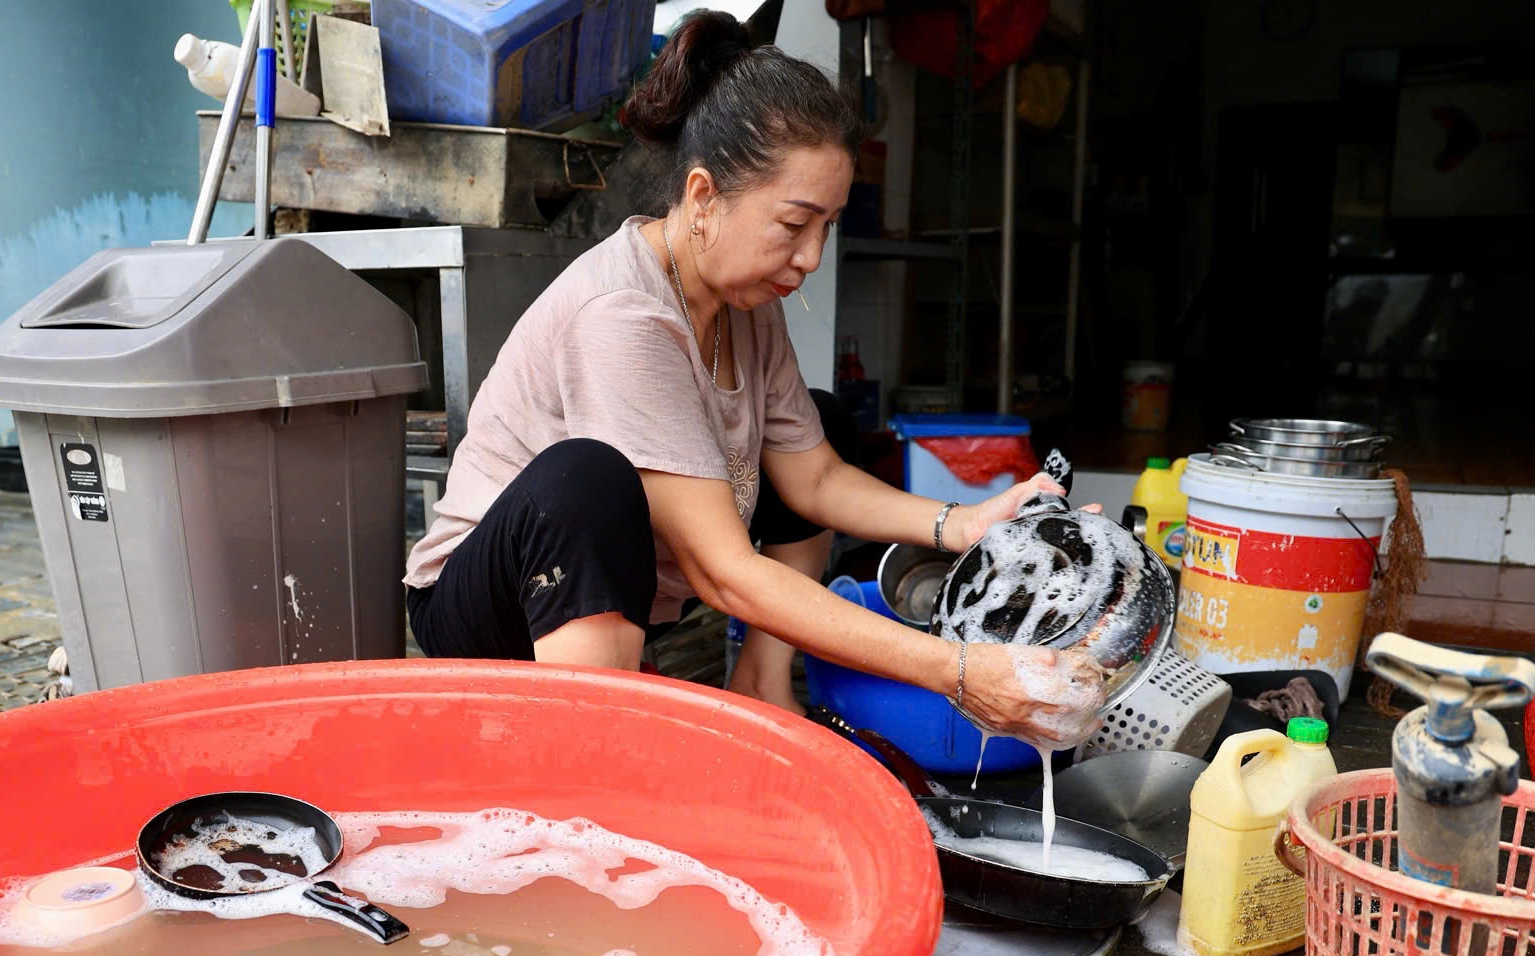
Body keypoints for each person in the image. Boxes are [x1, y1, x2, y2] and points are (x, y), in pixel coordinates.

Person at [403, 10, 1104, 745]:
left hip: (628, 592)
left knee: (821, 420)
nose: (810, 257)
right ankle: (599, 753)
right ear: (704, 199)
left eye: (827, 226)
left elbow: (817, 481)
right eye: (794, 223)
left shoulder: (741, 301)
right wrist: (957, 670)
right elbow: (725, 574)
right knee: (590, 479)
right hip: (494, 611)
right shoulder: (624, 317)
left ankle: (763, 682)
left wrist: (963, 523)